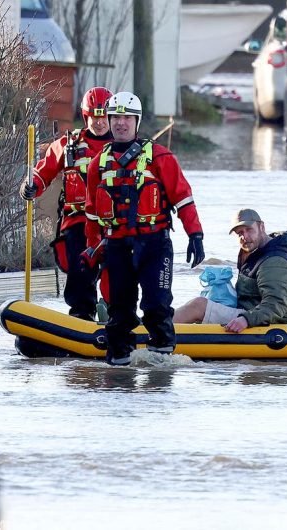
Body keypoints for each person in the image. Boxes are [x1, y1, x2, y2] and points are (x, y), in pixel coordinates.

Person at [82, 91, 205, 366]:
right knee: (119, 312)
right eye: (115, 118)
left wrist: (195, 235)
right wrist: (93, 248)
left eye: (126, 117)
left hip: (154, 244)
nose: (120, 123)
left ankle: (160, 378)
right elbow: (92, 213)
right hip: (117, 247)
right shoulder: (96, 165)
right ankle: (118, 375)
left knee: (156, 307)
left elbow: (183, 197)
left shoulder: (160, 157)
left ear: (136, 122)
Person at [19, 87, 113, 320]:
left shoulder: (124, 147)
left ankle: (115, 313)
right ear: (85, 116)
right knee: (80, 272)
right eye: (94, 116)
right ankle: (81, 316)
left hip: (114, 223)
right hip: (78, 220)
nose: (99, 122)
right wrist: (30, 186)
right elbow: (44, 172)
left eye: (103, 116)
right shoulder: (67, 144)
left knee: (118, 274)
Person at [174, 209, 287, 331]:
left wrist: (246, 320)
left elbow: (275, 305)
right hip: (254, 314)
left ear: (261, 227)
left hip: (275, 325)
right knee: (204, 301)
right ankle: (165, 328)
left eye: (249, 230)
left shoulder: (275, 261)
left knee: (198, 306)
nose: (244, 236)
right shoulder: (257, 252)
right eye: (240, 233)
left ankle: (158, 333)